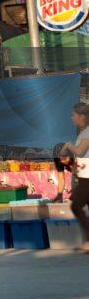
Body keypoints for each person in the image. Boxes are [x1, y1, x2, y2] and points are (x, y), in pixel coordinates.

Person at [60, 102, 89, 253]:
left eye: (74, 115)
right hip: (84, 175)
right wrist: (64, 161)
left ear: (82, 116)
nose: (72, 118)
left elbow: (79, 151)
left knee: (76, 206)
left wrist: (67, 146)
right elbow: (81, 159)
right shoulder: (83, 134)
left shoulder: (88, 132)